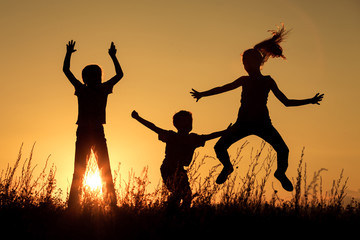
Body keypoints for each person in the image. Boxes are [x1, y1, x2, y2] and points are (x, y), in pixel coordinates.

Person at [190, 25, 324, 191]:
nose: (245, 66)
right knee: (219, 147)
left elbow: (286, 102)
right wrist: (203, 94)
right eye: (244, 63)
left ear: (258, 63)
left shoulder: (267, 80)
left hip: (263, 124)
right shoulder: (243, 80)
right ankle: (228, 167)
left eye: (248, 62)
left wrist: (309, 101)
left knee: (283, 150)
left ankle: (280, 173)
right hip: (243, 124)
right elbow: (223, 88)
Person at [63, 40, 124, 209]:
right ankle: (105, 204)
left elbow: (120, 75)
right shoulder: (90, 89)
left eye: (95, 76)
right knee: (88, 169)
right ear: (86, 78)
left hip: (93, 131)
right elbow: (66, 71)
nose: (94, 78)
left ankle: (107, 204)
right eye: (92, 76)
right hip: (87, 131)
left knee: (92, 169)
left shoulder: (93, 89)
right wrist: (113, 57)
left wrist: (113, 56)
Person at [131, 110, 230, 209]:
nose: (188, 124)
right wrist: (138, 118)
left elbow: (210, 136)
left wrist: (225, 132)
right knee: (179, 194)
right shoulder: (171, 136)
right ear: (176, 124)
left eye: (190, 122)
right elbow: (153, 127)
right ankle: (171, 213)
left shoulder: (193, 138)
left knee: (185, 196)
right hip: (168, 168)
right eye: (185, 122)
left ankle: (176, 214)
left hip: (180, 170)